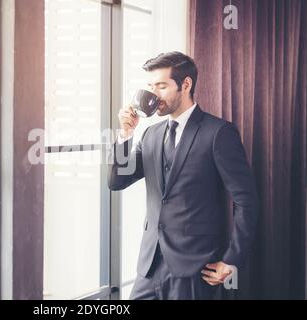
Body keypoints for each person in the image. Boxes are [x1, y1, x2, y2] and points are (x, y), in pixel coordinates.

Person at [108, 51, 259, 300]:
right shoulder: (150, 135)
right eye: (150, 86)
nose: (153, 94)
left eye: (161, 86)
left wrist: (232, 260)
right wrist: (125, 136)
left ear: (185, 84)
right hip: (149, 266)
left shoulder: (219, 133)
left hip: (195, 268)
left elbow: (247, 201)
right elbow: (117, 181)